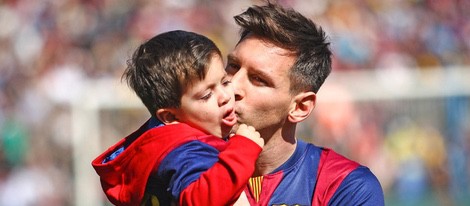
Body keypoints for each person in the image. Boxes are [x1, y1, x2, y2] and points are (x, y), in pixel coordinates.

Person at [224, 2, 385, 205]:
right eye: (232, 66)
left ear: (300, 107)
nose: (232, 85)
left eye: (258, 79)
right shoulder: (184, 164)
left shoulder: (346, 186)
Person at [91, 30, 264, 206]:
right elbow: (199, 201)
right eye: (206, 95)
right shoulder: (184, 152)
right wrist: (243, 149)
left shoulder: (163, 143)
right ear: (169, 116)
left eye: (225, 82)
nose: (225, 96)